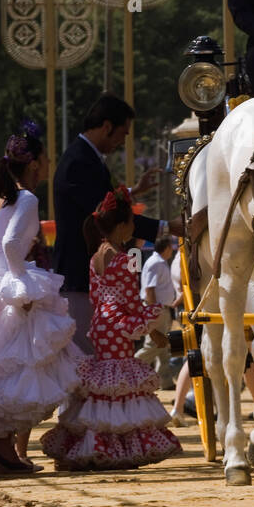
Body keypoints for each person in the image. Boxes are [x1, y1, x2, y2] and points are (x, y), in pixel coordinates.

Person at [0, 122, 81, 473]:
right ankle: (3, 450)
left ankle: (2, 449)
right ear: (34, 164)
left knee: (3, 364)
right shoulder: (27, 199)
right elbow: (10, 245)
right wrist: (22, 287)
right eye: (46, 159)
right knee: (19, 364)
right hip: (14, 286)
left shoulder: (4, 199)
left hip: (0, 284)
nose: (48, 165)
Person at [40, 187, 180, 470]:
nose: (134, 226)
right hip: (118, 323)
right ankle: (117, 447)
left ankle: (92, 443)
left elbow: (98, 297)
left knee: (104, 380)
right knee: (119, 381)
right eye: (131, 221)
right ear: (122, 225)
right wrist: (149, 327)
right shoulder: (124, 256)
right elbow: (130, 299)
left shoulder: (96, 255)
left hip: (101, 323)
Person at [52, 94, 178, 356]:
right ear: (107, 126)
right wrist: (168, 227)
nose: (124, 140)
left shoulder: (85, 157)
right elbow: (103, 210)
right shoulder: (79, 161)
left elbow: (100, 202)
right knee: (85, 360)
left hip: (86, 278)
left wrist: (132, 191)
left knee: (89, 359)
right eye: (123, 132)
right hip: (78, 277)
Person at [135, 237, 178, 384]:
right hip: (157, 309)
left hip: (160, 308)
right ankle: (129, 367)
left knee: (163, 346)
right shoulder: (157, 263)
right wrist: (153, 311)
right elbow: (149, 288)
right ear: (166, 248)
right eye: (171, 247)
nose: (172, 250)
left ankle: (165, 381)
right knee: (154, 345)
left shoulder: (159, 262)